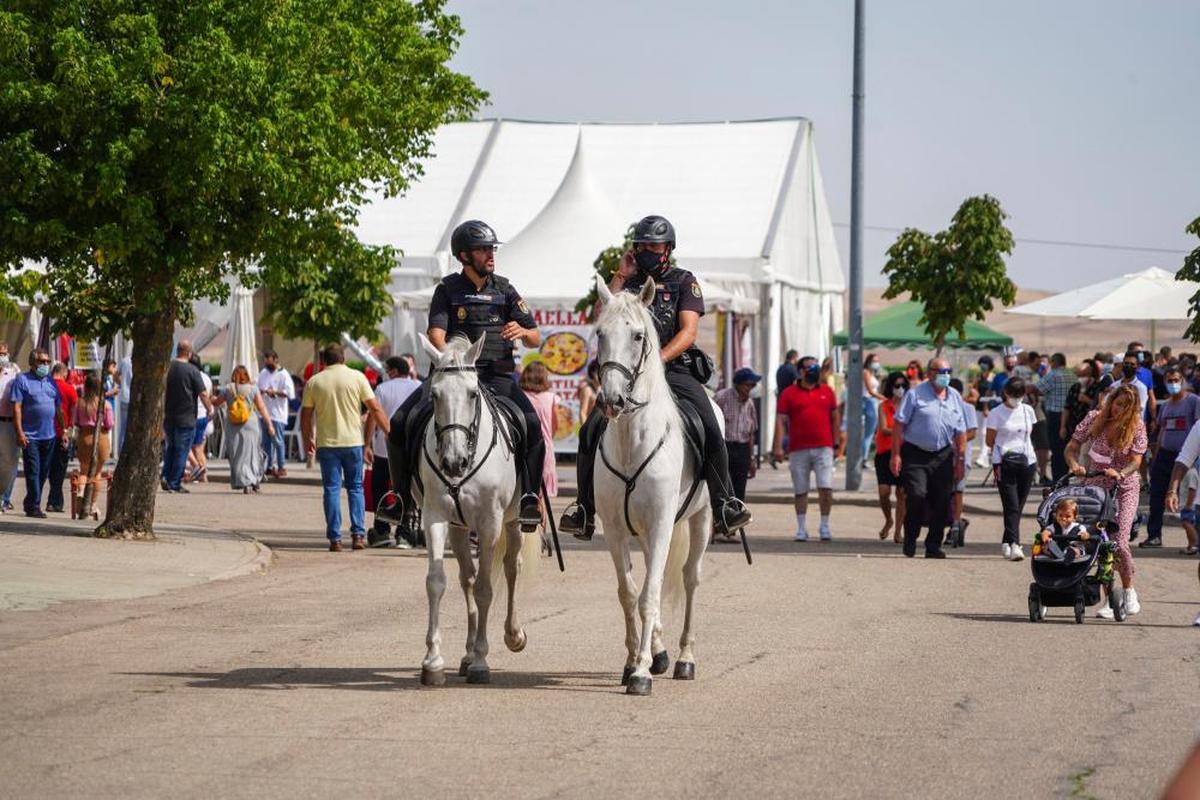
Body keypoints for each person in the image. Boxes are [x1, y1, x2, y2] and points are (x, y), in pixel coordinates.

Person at [560, 215, 751, 538]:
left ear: (668, 248)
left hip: (673, 370)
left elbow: (689, 332)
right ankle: (584, 508)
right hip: (628, 377)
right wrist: (621, 274)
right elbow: (602, 321)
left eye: (654, 244)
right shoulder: (628, 284)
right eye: (642, 244)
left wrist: (658, 361)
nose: (647, 250)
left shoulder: (683, 281)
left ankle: (723, 503)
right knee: (591, 428)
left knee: (709, 424)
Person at [390, 220, 546, 533]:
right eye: (483, 249)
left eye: (492, 248)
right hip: (453, 377)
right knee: (399, 423)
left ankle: (529, 496)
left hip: (497, 376)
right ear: (464, 256)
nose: (491, 254)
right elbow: (436, 333)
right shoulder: (447, 289)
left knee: (531, 425)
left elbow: (536, 338)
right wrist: (452, 359)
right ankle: (401, 499)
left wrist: (523, 331)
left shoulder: (505, 288)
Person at [1065, 384, 1146, 618]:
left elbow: (1136, 462)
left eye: (1124, 407)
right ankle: (1110, 600)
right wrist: (1075, 465)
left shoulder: (1136, 427)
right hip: (1095, 485)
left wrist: (1121, 473)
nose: (1118, 410)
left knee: (1119, 541)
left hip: (1124, 487)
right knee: (1099, 541)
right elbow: (1071, 448)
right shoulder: (1094, 418)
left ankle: (1129, 590)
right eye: (1116, 403)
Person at [301, 343, 391, 552]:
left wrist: (308, 439)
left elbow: (306, 416)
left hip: (327, 444)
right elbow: (375, 408)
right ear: (343, 358)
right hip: (353, 442)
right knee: (355, 488)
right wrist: (389, 433)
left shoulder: (315, 382)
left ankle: (335, 539)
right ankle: (358, 535)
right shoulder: (357, 377)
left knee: (331, 489)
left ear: (324, 361)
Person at [889, 358, 968, 559]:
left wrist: (960, 461)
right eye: (942, 371)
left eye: (948, 371)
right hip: (916, 454)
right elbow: (899, 425)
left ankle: (933, 545)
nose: (946, 375)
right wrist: (895, 454)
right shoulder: (914, 394)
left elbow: (961, 431)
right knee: (916, 495)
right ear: (930, 372)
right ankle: (910, 536)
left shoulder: (955, 397)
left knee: (942, 501)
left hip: (943, 455)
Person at [773, 358, 839, 542]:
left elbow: (835, 417)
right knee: (801, 490)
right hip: (797, 449)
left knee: (825, 487)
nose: (815, 370)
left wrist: (836, 443)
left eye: (816, 367)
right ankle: (802, 529)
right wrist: (778, 446)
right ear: (801, 371)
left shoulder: (827, 391)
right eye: (811, 367)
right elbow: (781, 421)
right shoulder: (788, 393)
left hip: (823, 448)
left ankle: (824, 526)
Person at [364, 356, 420, 547]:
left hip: (384, 448)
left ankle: (381, 531)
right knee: (408, 490)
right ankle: (404, 532)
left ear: (394, 371)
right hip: (411, 450)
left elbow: (373, 417)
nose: (386, 373)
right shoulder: (418, 387)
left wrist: (367, 444)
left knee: (380, 487)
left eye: (388, 370)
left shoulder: (382, 389)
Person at [1142, 365, 1200, 548]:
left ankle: (1194, 541)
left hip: (1186, 459)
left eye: (1176, 380)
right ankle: (1154, 535)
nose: (1173, 384)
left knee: (1190, 499)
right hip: (1165, 457)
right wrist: (1156, 457)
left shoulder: (1193, 402)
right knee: (1157, 497)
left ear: (1182, 381)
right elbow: (1162, 432)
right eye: (1169, 381)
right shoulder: (1166, 405)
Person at [986, 378, 1037, 561]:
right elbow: (989, 441)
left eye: (1020, 395)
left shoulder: (1027, 410)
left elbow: (1032, 434)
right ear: (1005, 393)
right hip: (1004, 462)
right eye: (1013, 395)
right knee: (1011, 505)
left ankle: (1007, 540)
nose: (1017, 399)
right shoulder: (996, 413)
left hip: (1027, 461)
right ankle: (1015, 544)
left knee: (1018, 505)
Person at [11, 348, 63, 517]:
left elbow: (58, 407)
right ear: (33, 363)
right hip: (30, 435)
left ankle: (30, 502)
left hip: (49, 435)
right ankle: (34, 506)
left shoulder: (50, 382)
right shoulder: (22, 380)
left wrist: (65, 430)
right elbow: (17, 408)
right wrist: (20, 432)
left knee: (43, 473)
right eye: (42, 362)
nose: (46, 365)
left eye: (48, 362)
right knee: (33, 471)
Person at [715, 367, 760, 541]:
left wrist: (752, 458)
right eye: (748, 384)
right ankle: (718, 526)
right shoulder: (723, 397)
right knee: (723, 486)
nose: (751, 387)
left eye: (753, 384)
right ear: (739, 384)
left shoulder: (749, 404)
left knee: (739, 490)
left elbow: (751, 433)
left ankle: (732, 529)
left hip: (741, 449)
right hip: (724, 446)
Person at [212, 365, 273, 494]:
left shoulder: (228, 389)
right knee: (253, 453)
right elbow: (262, 408)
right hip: (251, 424)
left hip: (233, 425)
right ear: (247, 376)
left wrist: (210, 398)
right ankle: (254, 481)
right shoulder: (253, 389)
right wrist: (270, 425)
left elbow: (217, 402)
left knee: (238, 455)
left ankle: (244, 482)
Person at [162, 340, 211, 494]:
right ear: (189, 353)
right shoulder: (192, 371)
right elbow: (203, 393)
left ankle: (166, 477)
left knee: (171, 448)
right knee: (182, 451)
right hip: (187, 417)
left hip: (169, 416)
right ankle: (174, 483)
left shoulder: (168, 368)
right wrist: (210, 408)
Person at [520, 361, 561, 529]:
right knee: (542, 497)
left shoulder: (521, 396)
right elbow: (555, 425)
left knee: (525, 491)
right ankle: (541, 535)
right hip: (545, 448)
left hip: (525, 448)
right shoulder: (551, 397)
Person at [73, 372, 114, 519]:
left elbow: (76, 422)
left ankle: (81, 492)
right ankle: (92, 505)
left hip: (84, 437)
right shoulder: (105, 404)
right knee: (97, 473)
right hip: (100, 438)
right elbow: (109, 424)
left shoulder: (80, 403)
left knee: (84, 471)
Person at [874, 371, 908, 543]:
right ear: (891, 387)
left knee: (902, 493)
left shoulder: (909, 406)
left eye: (903, 386)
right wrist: (902, 430)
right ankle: (888, 519)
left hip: (903, 452)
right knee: (884, 491)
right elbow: (884, 428)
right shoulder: (884, 406)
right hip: (884, 452)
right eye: (897, 386)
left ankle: (898, 531)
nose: (900, 389)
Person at [1035, 353, 1076, 482]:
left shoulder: (1053, 375)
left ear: (1053, 362)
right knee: (1067, 448)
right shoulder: (1072, 375)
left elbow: (1037, 388)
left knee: (1056, 449)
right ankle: (1065, 477)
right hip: (1070, 415)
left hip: (1055, 416)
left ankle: (1058, 479)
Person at [947, 378, 978, 546]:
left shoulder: (968, 408)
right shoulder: (944, 407)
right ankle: (953, 523)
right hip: (943, 457)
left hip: (961, 457)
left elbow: (972, 433)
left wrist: (956, 441)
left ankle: (955, 526)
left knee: (957, 492)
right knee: (944, 494)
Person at [257, 350, 294, 478]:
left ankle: (281, 466)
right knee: (266, 442)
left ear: (276, 360)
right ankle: (268, 466)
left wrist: (275, 392)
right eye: (266, 361)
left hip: (278, 414)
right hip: (265, 413)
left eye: (269, 361)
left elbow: (289, 393)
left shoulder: (284, 375)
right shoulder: (263, 373)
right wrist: (262, 392)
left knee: (278, 441)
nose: (267, 364)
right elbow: (258, 389)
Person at [47, 362, 78, 512]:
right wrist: (70, 428)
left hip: (45, 432)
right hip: (62, 432)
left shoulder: (45, 385)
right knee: (59, 468)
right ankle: (53, 501)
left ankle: (56, 501)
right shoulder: (68, 388)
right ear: (64, 373)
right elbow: (74, 410)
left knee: (50, 468)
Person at [1034, 498, 1092, 563]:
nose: (1063, 518)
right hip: (1058, 549)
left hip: (1074, 548)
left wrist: (1085, 536)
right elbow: (1046, 532)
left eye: (1068, 516)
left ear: (1075, 517)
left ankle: (1069, 557)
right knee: (1046, 548)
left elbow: (1086, 534)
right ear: (1056, 515)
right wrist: (1046, 538)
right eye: (1060, 515)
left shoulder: (1079, 527)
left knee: (1076, 550)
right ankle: (1054, 554)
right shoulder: (1054, 526)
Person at [0, 342, 21, 511]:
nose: (3, 356)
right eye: (0, 353)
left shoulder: (14, 371)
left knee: (10, 462)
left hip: (8, 422)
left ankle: (4, 497)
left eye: (5, 353)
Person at [185, 353, 212, 483]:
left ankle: (197, 468)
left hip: (193, 414)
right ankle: (203, 475)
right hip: (204, 416)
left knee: (186, 446)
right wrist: (209, 410)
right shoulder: (207, 378)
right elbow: (209, 395)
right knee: (199, 448)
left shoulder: (191, 376)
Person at [861, 353, 884, 467]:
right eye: (874, 361)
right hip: (869, 402)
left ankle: (864, 457)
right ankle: (863, 458)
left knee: (870, 432)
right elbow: (870, 391)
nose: (876, 363)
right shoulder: (865, 372)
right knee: (868, 433)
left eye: (878, 361)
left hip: (873, 402)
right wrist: (884, 398)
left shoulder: (872, 373)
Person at [117, 353, 132, 455]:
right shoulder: (141, 360)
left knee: (123, 426)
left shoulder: (125, 360)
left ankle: (121, 452)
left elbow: (115, 375)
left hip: (124, 396)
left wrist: (121, 384)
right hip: (135, 397)